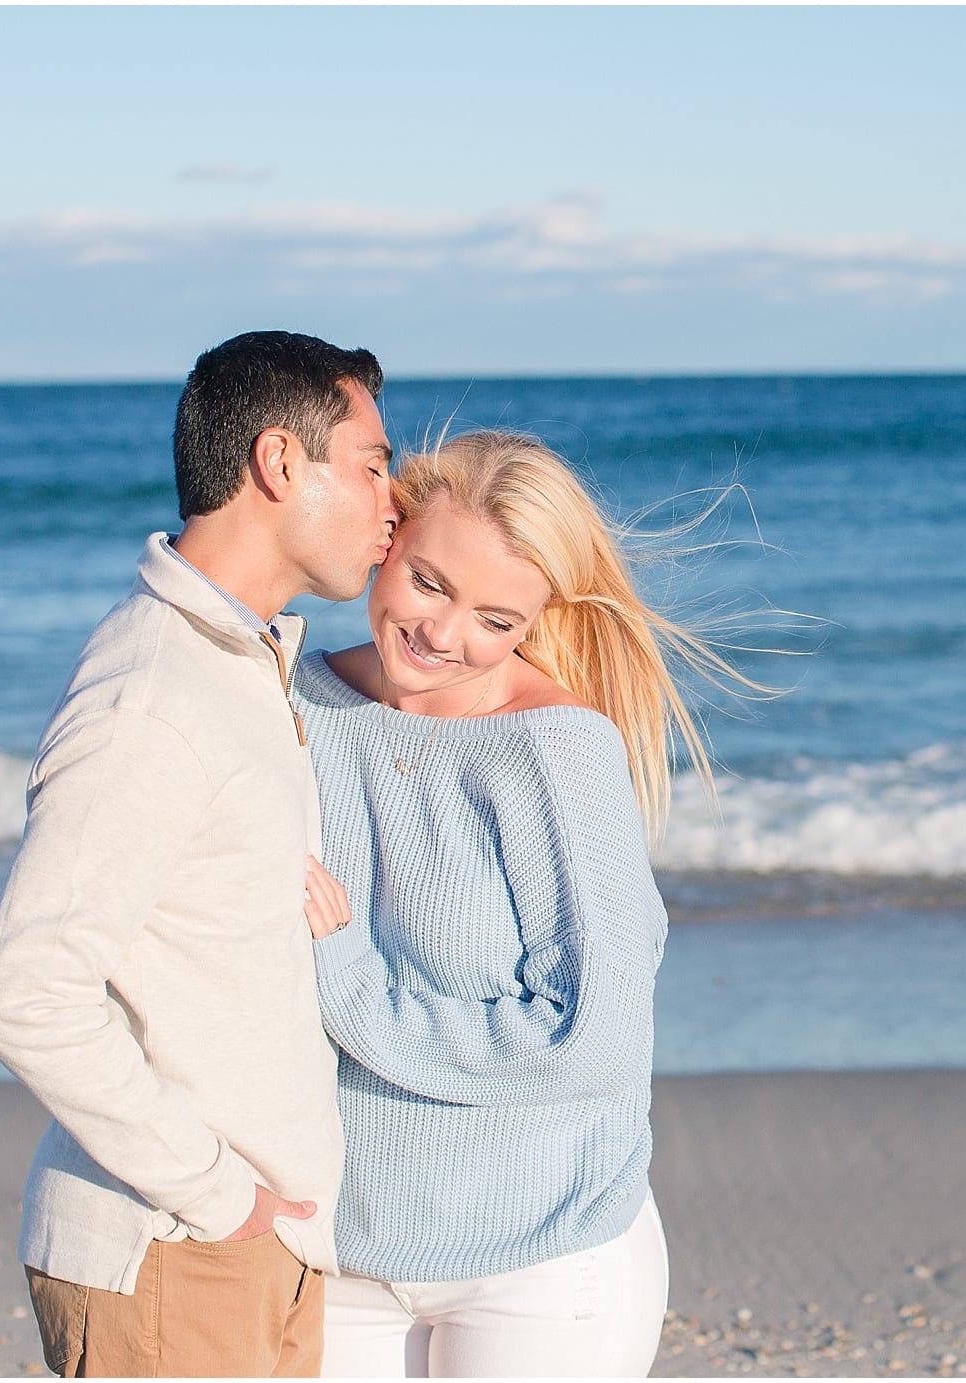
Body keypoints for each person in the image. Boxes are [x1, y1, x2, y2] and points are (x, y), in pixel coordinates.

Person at [0, 330, 399, 1377]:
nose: (395, 504)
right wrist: (218, 1197)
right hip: (178, 1248)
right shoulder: (153, 695)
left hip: (253, 1246)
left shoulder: (240, 662)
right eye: (374, 466)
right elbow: (27, 992)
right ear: (279, 462)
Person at [294, 430, 767, 1377]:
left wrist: (342, 986)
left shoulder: (557, 754)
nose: (443, 633)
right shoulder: (296, 698)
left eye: (496, 618)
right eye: (430, 582)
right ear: (388, 536)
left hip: (542, 1256)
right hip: (337, 1246)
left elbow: (590, 1036)